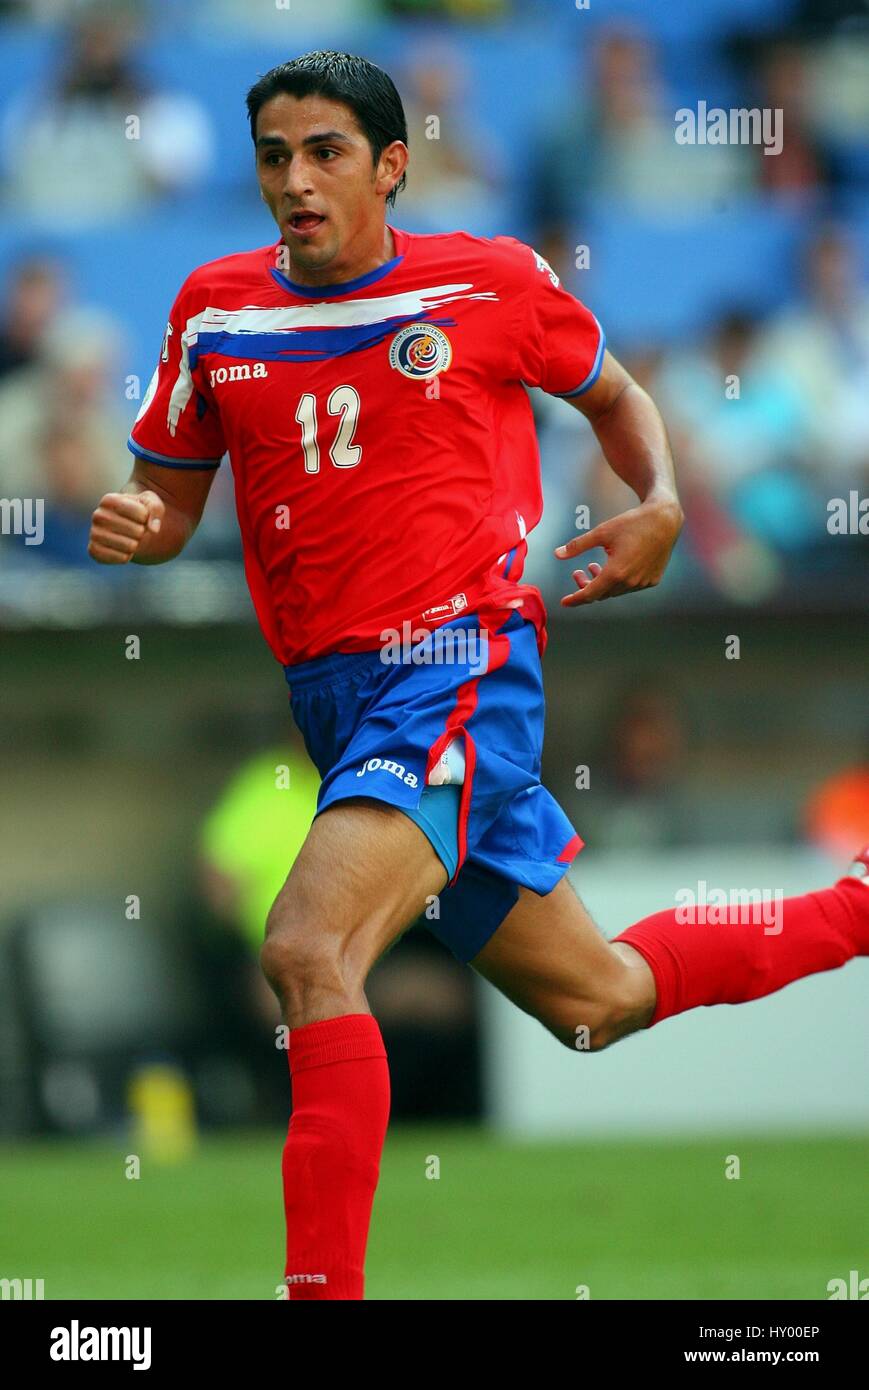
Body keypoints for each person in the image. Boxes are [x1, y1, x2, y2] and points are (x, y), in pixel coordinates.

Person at [87, 50, 869, 1301]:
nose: (296, 180)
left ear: (391, 165)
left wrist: (660, 501)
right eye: (275, 157)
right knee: (596, 999)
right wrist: (138, 523)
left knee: (306, 946)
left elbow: (614, 395)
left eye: (326, 153)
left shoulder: (486, 281)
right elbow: (169, 506)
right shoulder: (214, 309)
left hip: (455, 667)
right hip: (338, 705)